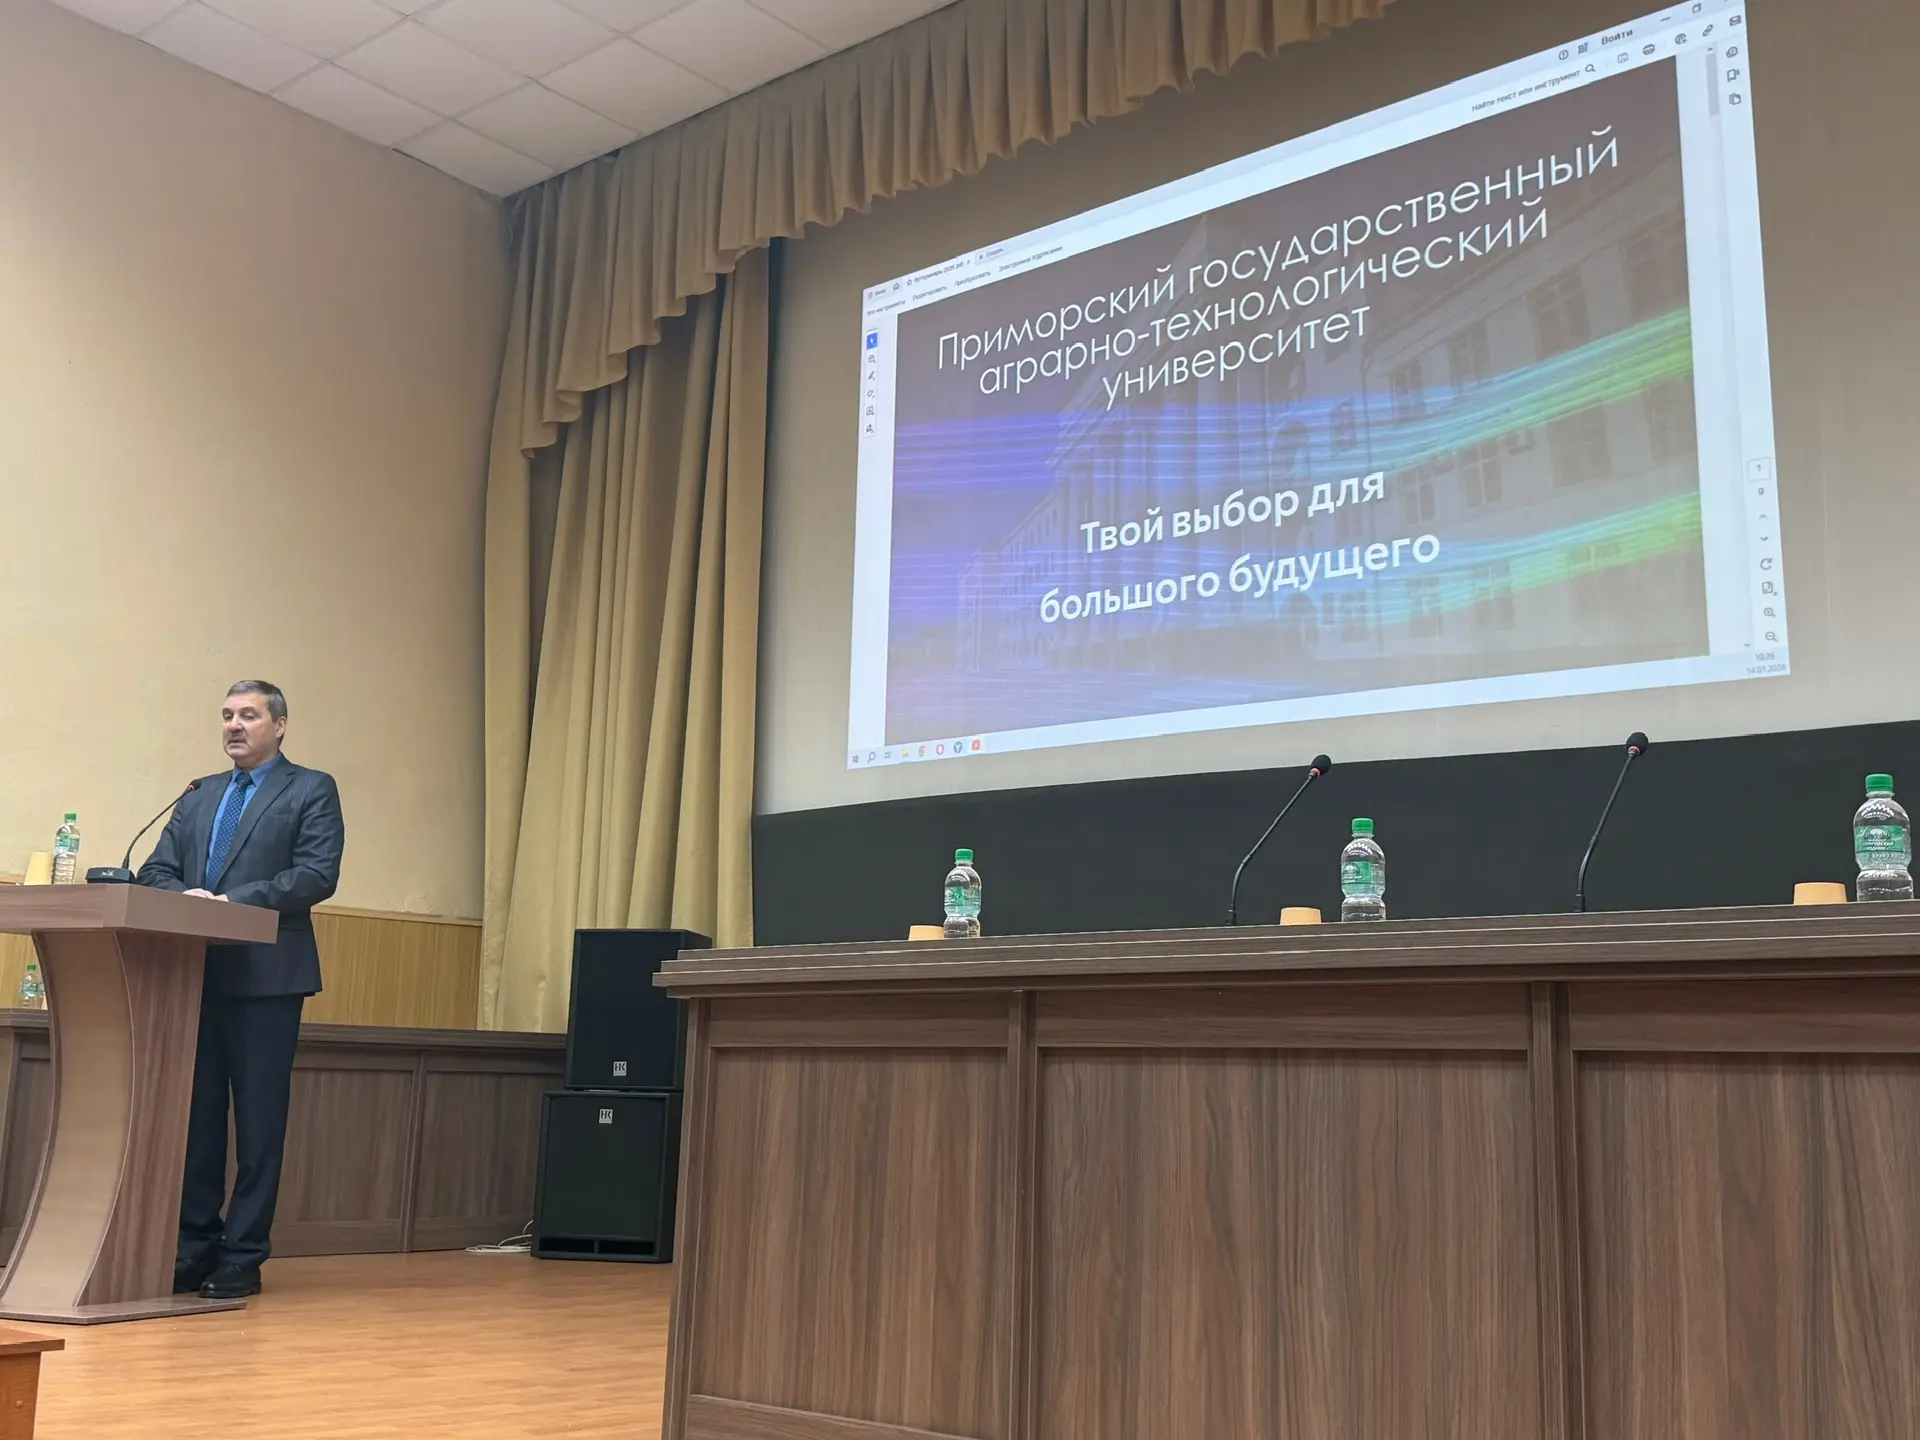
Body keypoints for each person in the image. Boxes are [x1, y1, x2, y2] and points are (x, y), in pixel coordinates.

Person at [138, 681, 345, 1299]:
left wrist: (230, 902)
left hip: (268, 979)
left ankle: (244, 1255)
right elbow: (155, 870)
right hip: (193, 978)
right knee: (198, 1122)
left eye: (249, 715)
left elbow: (316, 874)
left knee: (258, 1126)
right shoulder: (199, 794)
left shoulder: (310, 788)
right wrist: (189, 900)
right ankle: (194, 1247)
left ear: (279, 725)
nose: (234, 725)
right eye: (227, 715)